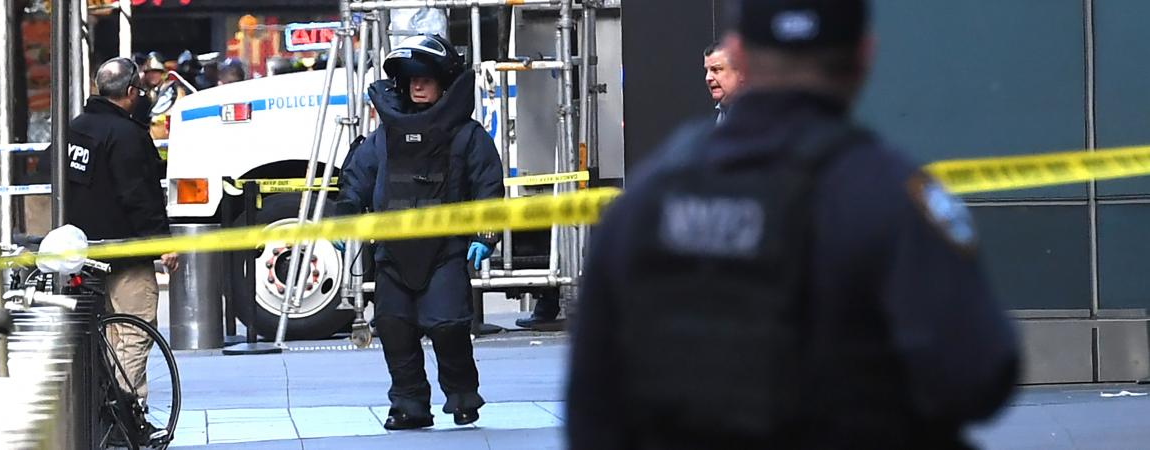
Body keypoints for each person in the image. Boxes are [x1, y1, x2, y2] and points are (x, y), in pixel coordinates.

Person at [567, 1, 1019, 448]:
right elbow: (979, 374)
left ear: (739, 54)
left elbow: (592, 404)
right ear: (864, 56)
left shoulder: (651, 197)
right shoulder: (893, 199)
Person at [338, 34, 503, 430]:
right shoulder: (384, 137)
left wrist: (484, 235)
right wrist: (344, 216)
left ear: (444, 81)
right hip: (392, 254)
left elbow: (488, 188)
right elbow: (356, 180)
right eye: (410, 78)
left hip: (446, 250)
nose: (417, 85)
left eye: (425, 77)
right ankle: (409, 404)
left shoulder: (467, 135)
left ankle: (463, 395)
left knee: (447, 325)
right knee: (394, 328)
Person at [65, 57, 179, 430]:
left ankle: (108, 411)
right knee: (133, 330)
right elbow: (140, 196)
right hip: (127, 253)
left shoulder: (76, 130)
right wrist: (163, 243)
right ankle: (125, 416)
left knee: (108, 334)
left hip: (85, 252)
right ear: (131, 93)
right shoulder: (128, 136)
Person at [705, 41, 744, 124]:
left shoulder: (759, 117)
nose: (708, 78)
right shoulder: (714, 119)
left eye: (716, 69)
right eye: (706, 71)